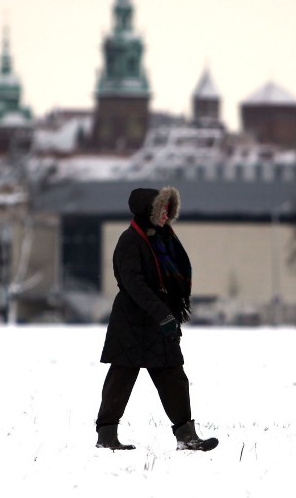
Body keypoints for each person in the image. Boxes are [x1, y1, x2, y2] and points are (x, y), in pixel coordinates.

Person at [95, 186, 218, 452]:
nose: (166, 215)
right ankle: (106, 436)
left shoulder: (162, 240)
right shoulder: (130, 241)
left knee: (174, 376)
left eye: (168, 210)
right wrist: (163, 315)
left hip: (159, 322)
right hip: (131, 322)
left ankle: (186, 435)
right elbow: (133, 284)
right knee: (121, 379)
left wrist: (167, 315)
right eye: (161, 209)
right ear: (147, 211)